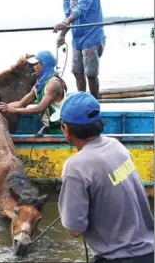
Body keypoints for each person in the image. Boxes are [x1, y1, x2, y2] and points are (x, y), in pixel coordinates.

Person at [58, 92, 154, 263]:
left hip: (119, 258)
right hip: (149, 250)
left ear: (66, 129)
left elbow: (75, 230)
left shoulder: (75, 166)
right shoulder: (116, 145)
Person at [54, 0, 106, 99]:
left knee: (91, 73)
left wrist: (65, 21)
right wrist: (62, 34)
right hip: (77, 39)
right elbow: (68, 15)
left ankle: (94, 104)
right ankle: (82, 101)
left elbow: (81, 9)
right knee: (77, 71)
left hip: (92, 36)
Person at [0, 51, 67, 135]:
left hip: (61, 130)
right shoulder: (38, 86)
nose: (34, 67)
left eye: (35, 64)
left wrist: (14, 110)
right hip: (49, 128)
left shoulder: (54, 84)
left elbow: (39, 108)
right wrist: (0, 107)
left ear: (43, 65)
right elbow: (20, 103)